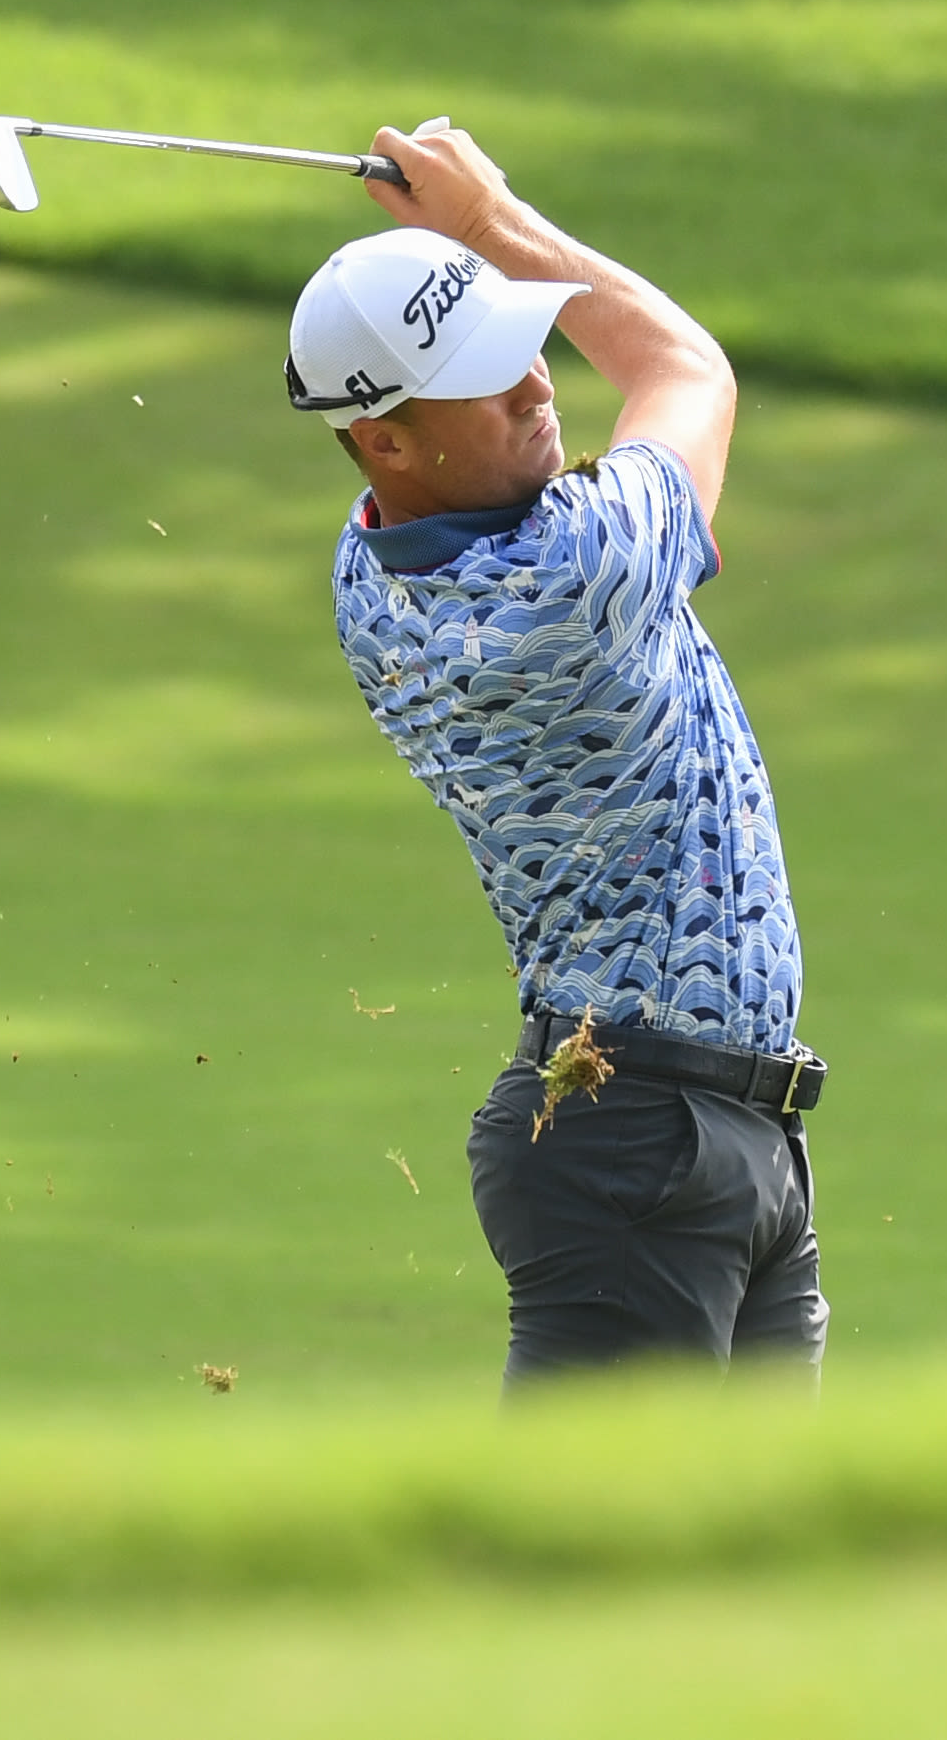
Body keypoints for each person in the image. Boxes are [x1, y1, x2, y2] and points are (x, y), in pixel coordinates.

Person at [285, 114, 811, 1383]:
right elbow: (687, 368)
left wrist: (459, 274)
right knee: (595, 1578)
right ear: (389, 442)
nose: (536, 386)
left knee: (765, 1578)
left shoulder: (371, 570)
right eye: (488, 373)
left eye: (525, 343)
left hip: (713, 1138)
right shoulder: (567, 574)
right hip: (635, 1143)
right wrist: (487, 223)